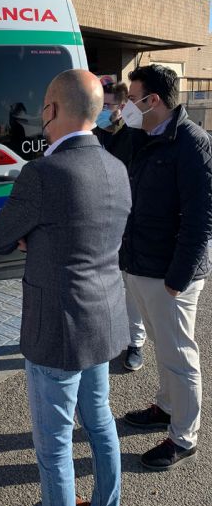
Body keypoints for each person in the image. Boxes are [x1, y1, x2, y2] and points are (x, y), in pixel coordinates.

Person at [0, 70, 131, 506]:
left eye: (42, 108)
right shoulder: (116, 166)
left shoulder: (43, 173)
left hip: (57, 330)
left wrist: (31, 233)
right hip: (103, 320)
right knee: (101, 425)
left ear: (52, 110)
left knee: (54, 448)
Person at [121, 64, 212, 471]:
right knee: (164, 347)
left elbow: (201, 219)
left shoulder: (192, 144)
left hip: (172, 276)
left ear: (152, 100)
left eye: (131, 97)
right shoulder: (143, 135)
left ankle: (184, 436)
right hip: (143, 264)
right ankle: (166, 406)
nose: (125, 106)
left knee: (179, 355)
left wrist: (178, 277)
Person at [94, 79, 148, 372]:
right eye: (100, 105)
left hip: (128, 221)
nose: (104, 110)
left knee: (131, 286)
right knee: (105, 284)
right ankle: (109, 335)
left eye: (109, 105)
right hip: (101, 221)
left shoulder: (133, 136)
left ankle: (135, 343)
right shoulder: (92, 134)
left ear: (123, 106)